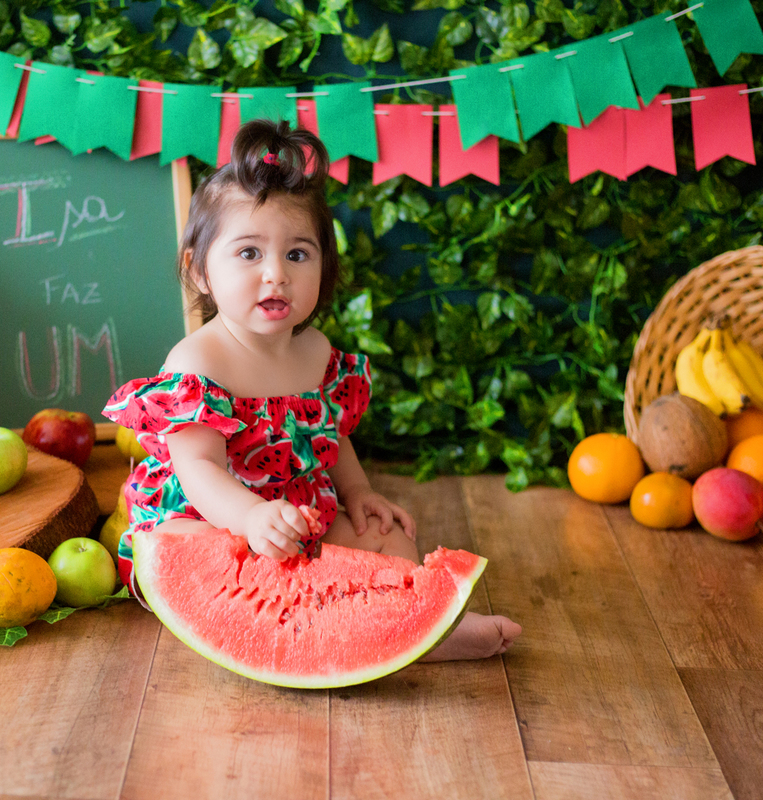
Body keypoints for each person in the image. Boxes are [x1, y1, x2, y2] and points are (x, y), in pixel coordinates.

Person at [103, 118, 521, 660]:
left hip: (300, 514)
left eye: (297, 254)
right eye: (249, 253)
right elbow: (199, 471)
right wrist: (250, 518)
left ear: (324, 268)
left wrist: (358, 493)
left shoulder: (317, 352)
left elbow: (330, 435)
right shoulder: (197, 362)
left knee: (389, 538)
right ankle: (325, 618)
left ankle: (421, 628)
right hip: (213, 519)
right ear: (200, 271)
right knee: (201, 544)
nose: (276, 274)